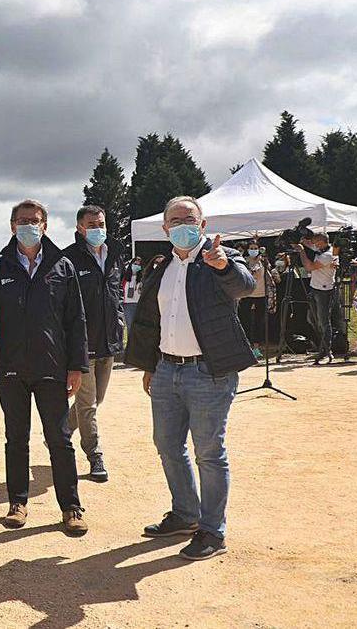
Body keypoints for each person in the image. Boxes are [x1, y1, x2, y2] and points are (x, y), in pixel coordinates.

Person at [125, 196, 256, 561]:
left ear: (203, 225)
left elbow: (243, 285)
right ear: (165, 228)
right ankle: (185, 513)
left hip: (208, 372)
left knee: (209, 454)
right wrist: (151, 365)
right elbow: (154, 320)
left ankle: (213, 532)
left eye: (190, 218)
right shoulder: (162, 265)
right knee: (167, 445)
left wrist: (222, 265)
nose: (183, 224)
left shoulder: (219, 256)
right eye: (175, 219)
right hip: (167, 370)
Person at [0, 199, 89, 535]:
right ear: (12, 226)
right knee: (16, 438)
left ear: (45, 226)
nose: (28, 225)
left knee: (60, 439)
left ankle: (71, 508)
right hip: (11, 367)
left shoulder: (62, 266)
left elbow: (75, 320)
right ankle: (17, 503)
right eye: (22, 220)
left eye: (34, 220)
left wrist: (77, 365)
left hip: (53, 367)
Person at [60, 205, 124, 483]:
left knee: (96, 399)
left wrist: (119, 322)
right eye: (92, 224)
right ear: (80, 228)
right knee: (87, 404)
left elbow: (115, 295)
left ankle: (60, 429)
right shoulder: (69, 259)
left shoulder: (115, 254)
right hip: (81, 344)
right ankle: (94, 454)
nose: (98, 229)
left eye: (101, 223)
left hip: (108, 341)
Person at [299, 233, 345, 363]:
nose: (314, 245)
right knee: (312, 319)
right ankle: (324, 346)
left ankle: (326, 351)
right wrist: (301, 240)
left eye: (316, 243)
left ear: (322, 242)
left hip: (324, 292)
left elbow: (309, 267)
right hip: (315, 289)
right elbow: (310, 245)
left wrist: (301, 251)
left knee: (324, 322)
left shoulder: (327, 255)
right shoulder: (321, 249)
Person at [239, 238, 271, 359]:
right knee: (245, 320)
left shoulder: (264, 261)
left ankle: (256, 348)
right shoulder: (244, 261)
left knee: (259, 321)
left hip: (261, 294)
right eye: (251, 248)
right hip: (246, 294)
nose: (253, 250)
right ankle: (246, 346)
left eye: (255, 248)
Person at [124, 256, 144, 335]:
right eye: (135, 264)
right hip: (127, 304)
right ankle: (130, 344)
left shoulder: (142, 278)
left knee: (138, 326)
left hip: (138, 304)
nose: (136, 266)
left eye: (138, 265)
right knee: (130, 326)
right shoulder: (124, 278)